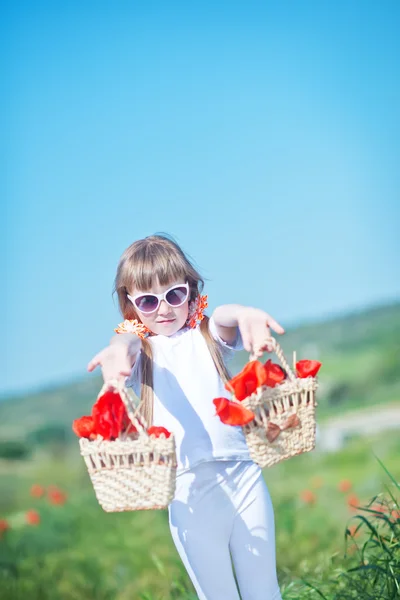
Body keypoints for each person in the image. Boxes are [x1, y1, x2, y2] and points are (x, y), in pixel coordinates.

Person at [88, 234, 284, 600]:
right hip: (188, 490)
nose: (163, 309)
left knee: (265, 592)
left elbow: (226, 315)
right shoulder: (142, 349)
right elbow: (125, 345)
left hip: (243, 477)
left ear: (190, 290)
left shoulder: (206, 334)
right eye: (148, 301)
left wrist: (244, 314)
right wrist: (115, 351)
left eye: (174, 294)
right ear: (131, 306)